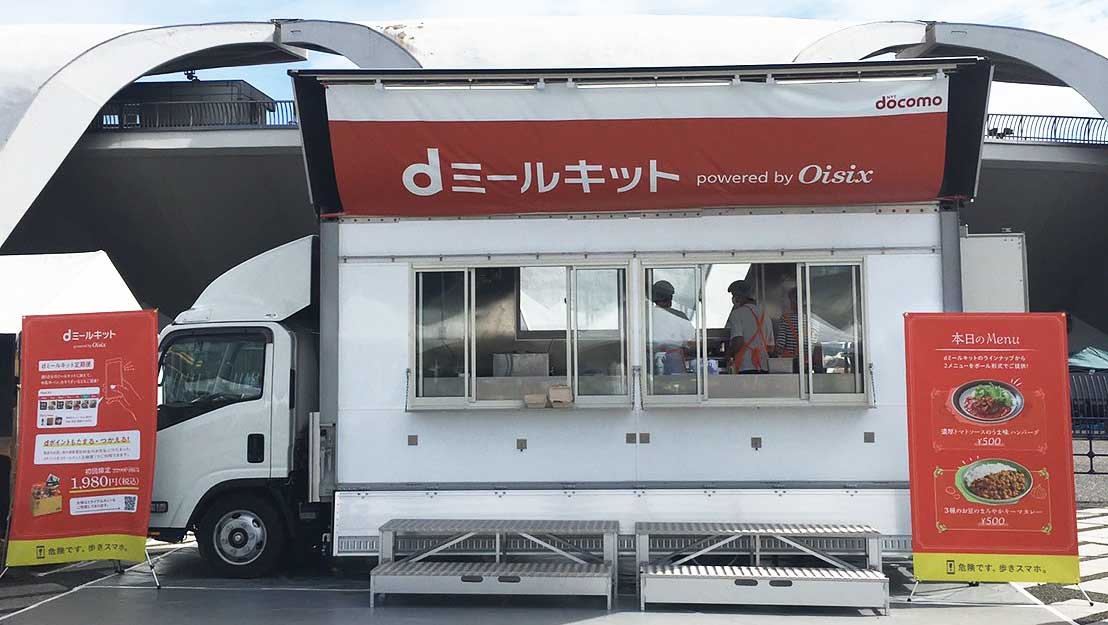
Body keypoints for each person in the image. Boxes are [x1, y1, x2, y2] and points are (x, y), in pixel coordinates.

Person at [724, 280, 774, 373]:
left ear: (739, 296)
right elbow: (770, 347)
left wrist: (728, 355)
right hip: (764, 365)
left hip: (746, 366)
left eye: (734, 295)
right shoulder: (765, 315)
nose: (733, 299)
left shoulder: (737, 314)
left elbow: (738, 341)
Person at [650, 280, 695, 374]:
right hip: (674, 358)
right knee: (676, 382)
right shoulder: (679, 316)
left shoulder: (645, 316)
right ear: (670, 297)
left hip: (650, 359)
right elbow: (691, 341)